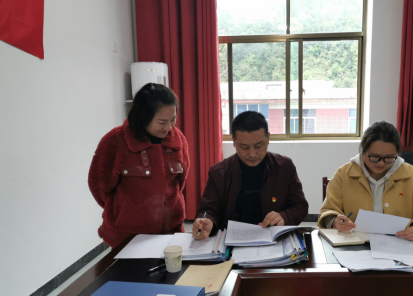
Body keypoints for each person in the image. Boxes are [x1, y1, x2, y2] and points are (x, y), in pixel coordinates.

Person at [89, 83, 190, 247]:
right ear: (143, 117)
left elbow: (181, 179)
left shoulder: (178, 139)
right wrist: (121, 210)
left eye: (173, 119)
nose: (169, 127)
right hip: (127, 233)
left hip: (170, 228)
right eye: (162, 122)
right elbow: (99, 185)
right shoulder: (115, 140)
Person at [318, 121, 413, 241]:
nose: (381, 163)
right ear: (363, 150)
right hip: (353, 243)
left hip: (400, 243)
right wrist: (335, 221)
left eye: (389, 158)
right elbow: (328, 210)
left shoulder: (410, 175)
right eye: (375, 157)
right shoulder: (344, 174)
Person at [193, 111, 309, 239]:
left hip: (274, 239)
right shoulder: (219, 172)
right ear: (234, 141)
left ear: (268, 138)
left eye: (258, 146)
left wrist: (284, 216)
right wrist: (206, 221)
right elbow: (208, 210)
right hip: (231, 241)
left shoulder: (284, 167)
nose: (252, 154)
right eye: (244, 147)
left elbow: (300, 206)